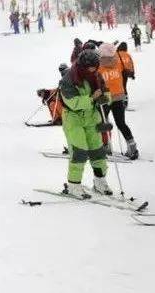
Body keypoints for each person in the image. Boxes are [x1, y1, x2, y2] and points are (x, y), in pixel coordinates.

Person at [57, 50, 112, 198]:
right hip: (73, 119)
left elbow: (106, 92)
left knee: (98, 151)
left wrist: (105, 98)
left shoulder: (96, 75)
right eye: (90, 68)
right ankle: (74, 185)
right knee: (79, 152)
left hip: (92, 118)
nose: (94, 70)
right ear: (82, 65)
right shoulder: (68, 79)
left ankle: (100, 181)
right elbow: (73, 103)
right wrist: (92, 99)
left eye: (96, 67)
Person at [97, 44, 139, 159]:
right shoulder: (117, 62)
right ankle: (132, 147)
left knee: (102, 123)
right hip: (119, 97)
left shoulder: (98, 66)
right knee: (121, 123)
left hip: (105, 98)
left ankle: (105, 147)